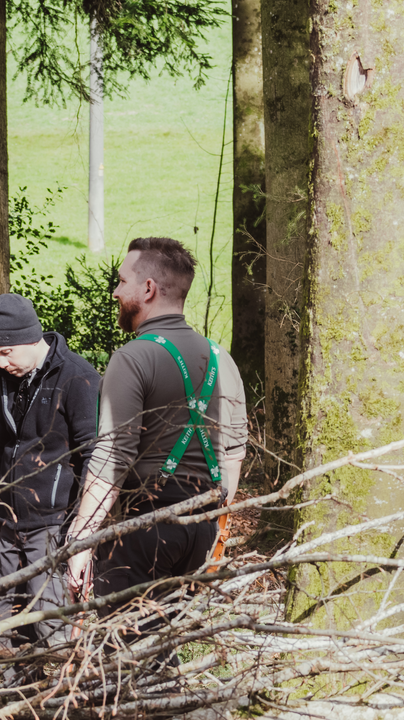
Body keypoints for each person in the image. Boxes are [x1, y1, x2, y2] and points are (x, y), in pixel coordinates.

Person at [65, 237, 247, 653]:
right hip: (200, 528)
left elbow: (113, 455)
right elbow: (232, 459)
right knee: (161, 653)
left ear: (147, 289)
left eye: (121, 281)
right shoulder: (223, 360)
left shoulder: (133, 357)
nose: (115, 291)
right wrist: (211, 535)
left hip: (142, 529)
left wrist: (82, 540)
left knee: (123, 661)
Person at [0, 293, 100, 652]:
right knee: (8, 623)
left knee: (52, 628)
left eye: (6, 353)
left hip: (53, 526)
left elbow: (95, 455)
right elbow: (3, 446)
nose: (1, 365)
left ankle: (59, 699)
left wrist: (82, 536)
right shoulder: (11, 375)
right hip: (10, 523)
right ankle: (11, 700)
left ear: (33, 338)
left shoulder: (78, 377)